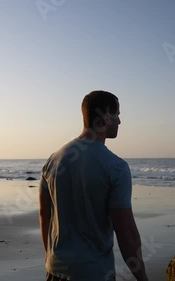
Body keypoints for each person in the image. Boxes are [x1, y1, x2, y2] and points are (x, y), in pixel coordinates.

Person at [39, 90, 149, 281]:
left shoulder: (53, 160)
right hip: (94, 273)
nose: (119, 121)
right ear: (106, 117)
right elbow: (125, 231)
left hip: (54, 271)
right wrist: (142, 277)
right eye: (117, 115)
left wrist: (50, 257)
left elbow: (44, 214)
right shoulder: (116, 167)